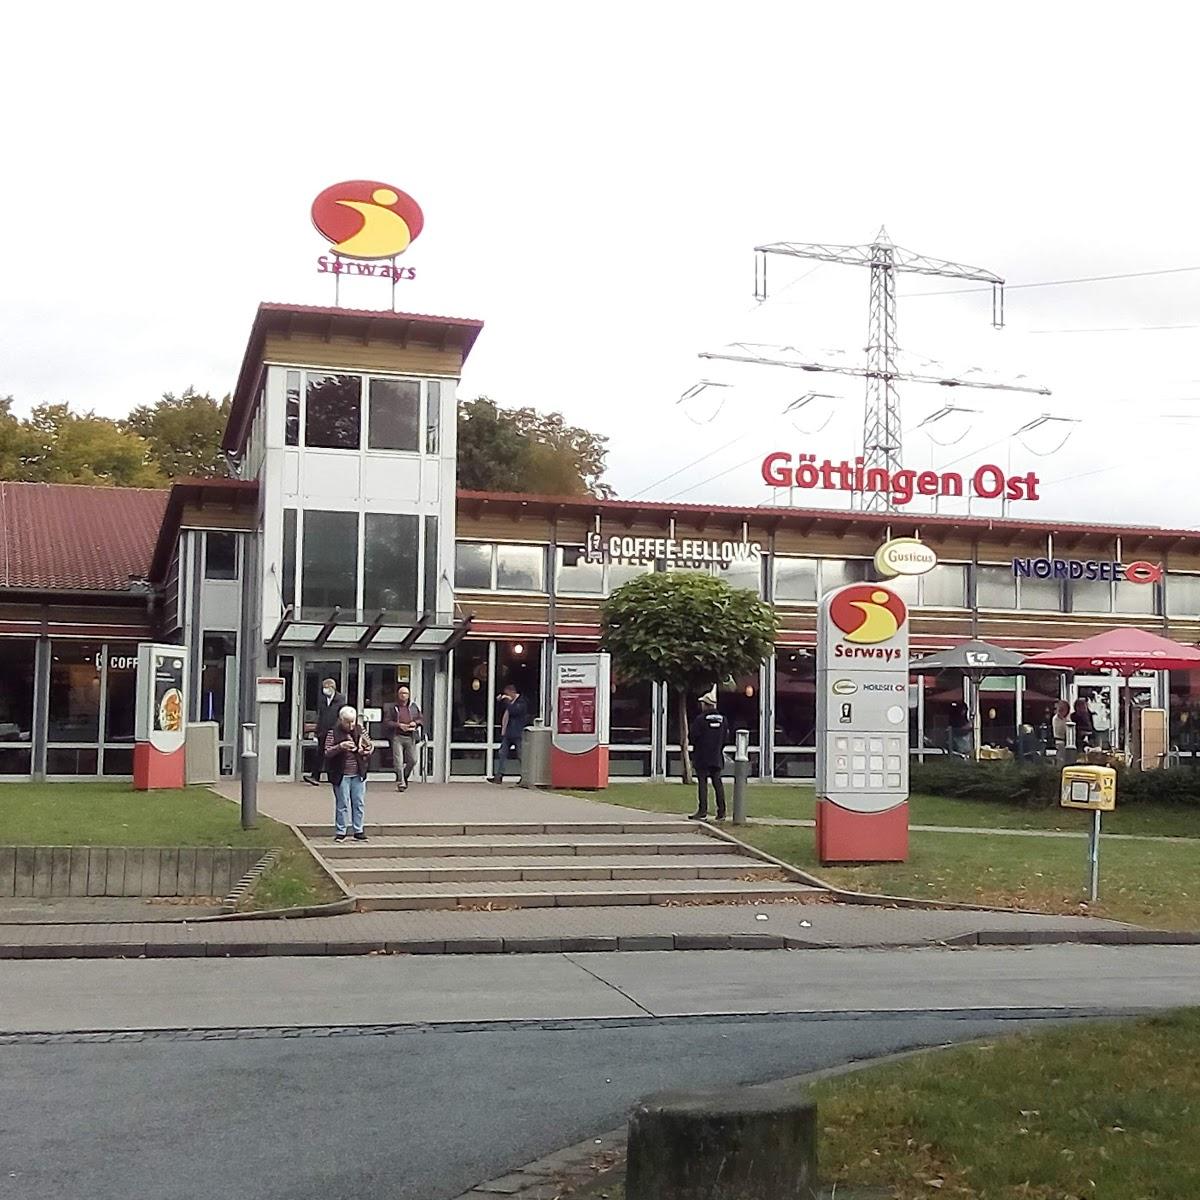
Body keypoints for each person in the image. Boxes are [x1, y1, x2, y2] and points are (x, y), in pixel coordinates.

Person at [324, 705, 372, 842]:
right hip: (341, 773)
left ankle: (358, 830)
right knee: (342, 803)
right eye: (347, 722)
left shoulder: (360, 729)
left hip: (358, 772)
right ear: (341, 720)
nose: (351, 725)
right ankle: (341, 831)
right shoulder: (333, 732)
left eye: (353, 721)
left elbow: (369, 745)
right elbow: (327, 752)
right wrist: (341, 747)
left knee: (358, 802)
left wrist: (366, 750)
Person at [687, 694, 729, 822]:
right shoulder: (723, 720)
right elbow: (726, 739)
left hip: (702, 756)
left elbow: (693, 737)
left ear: (706, 705)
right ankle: (721, 812)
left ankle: (702, 811)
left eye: (703, 703)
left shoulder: (700, 719)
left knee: (702, 784)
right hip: (716, 756)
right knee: (717, 783)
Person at [305, 678, 345, 786]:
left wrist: (336, 730)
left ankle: (332, 777)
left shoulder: (340, 699)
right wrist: (317, 731)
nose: (325, 690)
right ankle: (315, 776)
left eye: (327, 687)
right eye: (324, 687)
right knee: (319, 753)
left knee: (331, 754)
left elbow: (340, 716)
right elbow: (320, 716)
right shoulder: (322, 700)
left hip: (334, 732)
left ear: (333, 688)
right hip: (323, 731)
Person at [383, 683, 423, 792]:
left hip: (411, 736)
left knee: (413, 760)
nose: (403, 695)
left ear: (409, 695)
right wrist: (399, 725)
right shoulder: (392, 707)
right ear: (398, 695)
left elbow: (421, 719)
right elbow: (386, 722)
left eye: (405, 693)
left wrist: (415, 723)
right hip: (397, 736)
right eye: (401, 693)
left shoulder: (413, 707)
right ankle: (401, 782)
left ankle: (404, 776)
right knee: (398, 761)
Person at [489, 683, 529, 784]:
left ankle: (526, 776)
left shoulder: (522, 702)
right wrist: (500, 701)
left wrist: (507, 701)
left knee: (520, 755)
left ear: (512, 692)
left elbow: (514, 711)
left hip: (517, 733)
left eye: (507, 694)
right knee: (502, 753)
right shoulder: (510, 702)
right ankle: (499, 776)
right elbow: (502, 712)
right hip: (508, 732)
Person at [1052, 700, 1073, 765]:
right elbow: (1061, 730)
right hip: (1060, 741)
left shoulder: (1067, 719)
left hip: (1068, 742)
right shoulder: (1056, 719)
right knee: (1061, 759)